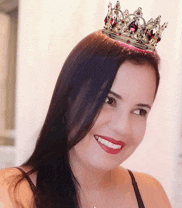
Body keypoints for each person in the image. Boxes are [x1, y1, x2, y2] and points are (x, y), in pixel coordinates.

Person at [0, 2, 171, 208]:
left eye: (140, 111)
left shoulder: (150, 193)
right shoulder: (11, 194)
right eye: (109, 100)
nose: (122, 127)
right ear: (69, 96)